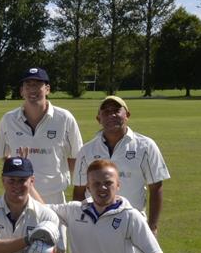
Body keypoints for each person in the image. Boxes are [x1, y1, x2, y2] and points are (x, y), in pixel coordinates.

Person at [49, 160, 168, 253]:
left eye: (108, 183)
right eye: (96, 183)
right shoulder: (73, 210)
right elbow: (39, 209)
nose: (102, 188)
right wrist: (29, 181)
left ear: (118, 185)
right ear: (88, 187)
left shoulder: (130, 216)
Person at [73, 95, 170, 236]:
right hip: (95, 225)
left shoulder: (145, 146)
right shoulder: (86, 151)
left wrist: (153, 226)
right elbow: (79, 191)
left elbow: (156, 188)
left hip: (133, 224)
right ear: (98, 119)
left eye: (116, 110)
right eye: (106, 112)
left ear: (127, 115)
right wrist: (80, 223)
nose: (111, 115)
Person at [0, 68, 82, 203]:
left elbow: (76, 159)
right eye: (28, 85)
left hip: (54, 196)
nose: (32, 89)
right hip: (20, 195)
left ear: (47, 89)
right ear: (21, 91)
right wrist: (18, 174)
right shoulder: (8, 120)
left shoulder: (64, 118)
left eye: (37, 84)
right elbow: (3, 155)